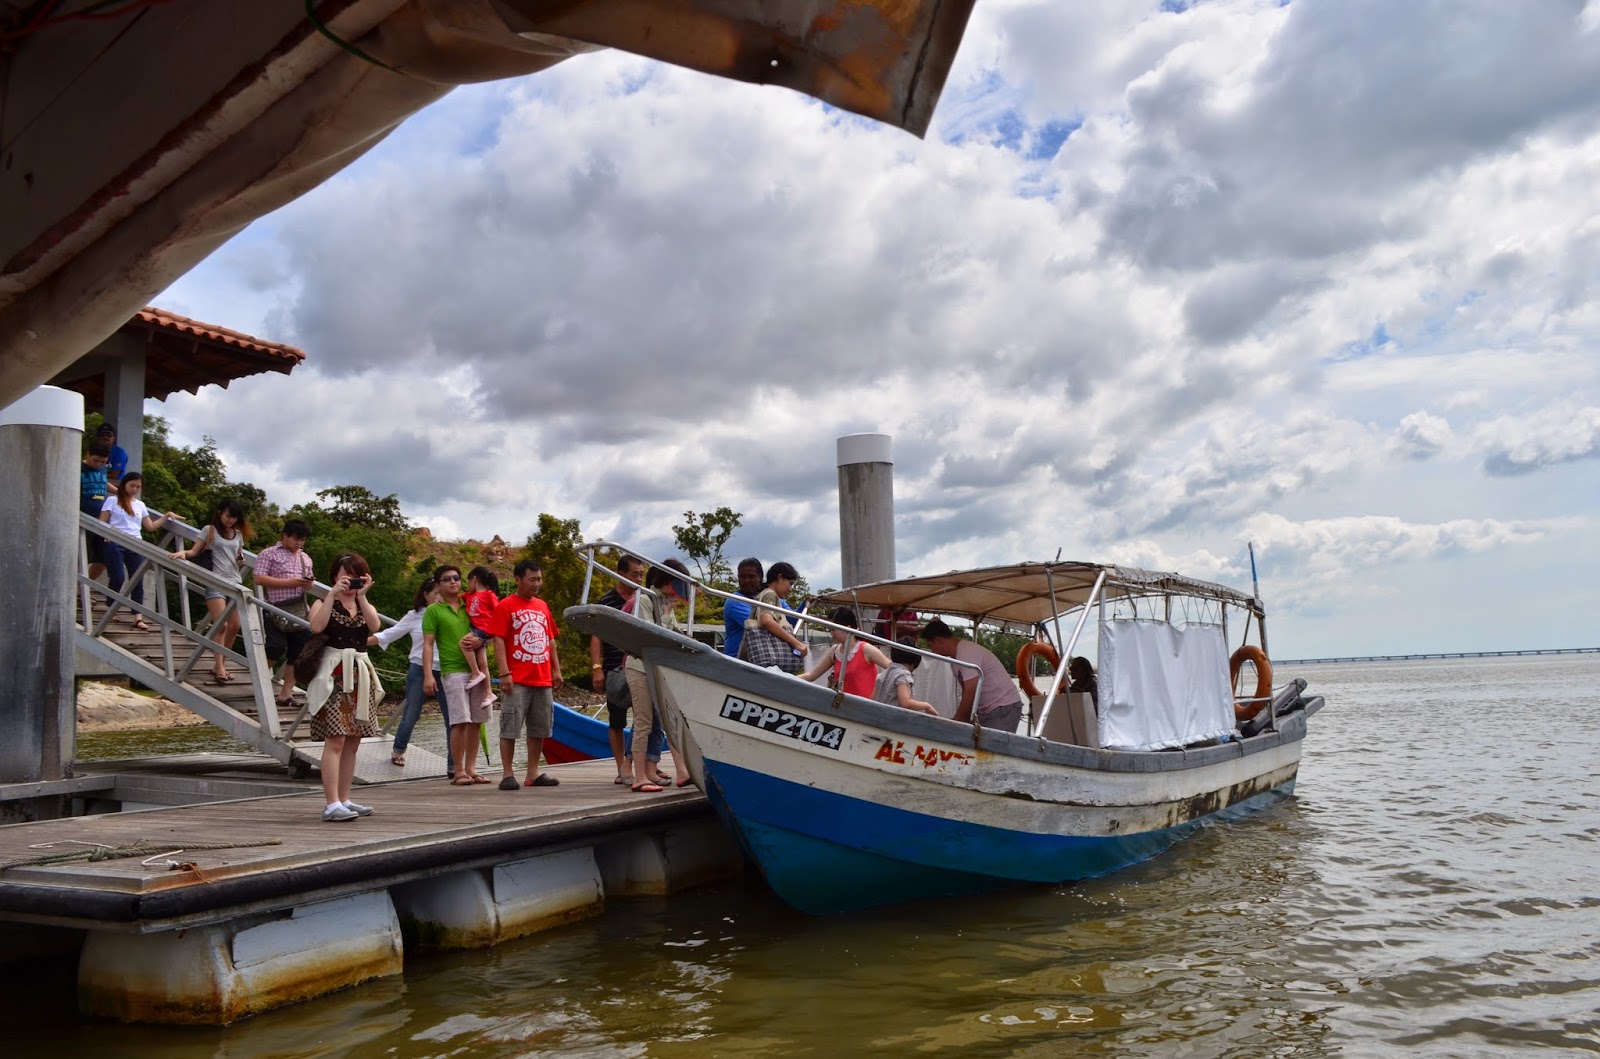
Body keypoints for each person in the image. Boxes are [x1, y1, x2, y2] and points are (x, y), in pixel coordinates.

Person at [303, 552, 383, 822]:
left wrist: (363, 596)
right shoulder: (322, 601)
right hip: (333, 675)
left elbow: (375, 626)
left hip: (359, 674)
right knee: (335, 739)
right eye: (344, 574)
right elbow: (316, 626)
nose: (349, 579)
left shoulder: (362, 603)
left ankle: (345, 798)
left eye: (355, 574)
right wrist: (331, 595)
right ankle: (331, 803)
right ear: (335, 576)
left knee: (353, 740)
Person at [589, 554, 670, 785]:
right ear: (621, 574)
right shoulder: (607, 601)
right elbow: (597, 635)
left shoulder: (646, 598)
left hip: (640, 665)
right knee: (617, 720)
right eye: (635, 574)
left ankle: (647, 765)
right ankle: (622, 767)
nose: (638, 579)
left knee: (648, 716)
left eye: (641, 575)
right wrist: (597, 668)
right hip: (615, 666)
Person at [486, 559, 564, 790]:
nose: (537, 584)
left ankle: (533, 772)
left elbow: (550, 639)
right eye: (532, 579)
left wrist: (556, 670)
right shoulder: (506, 606)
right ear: (518, 580)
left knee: (540, 727)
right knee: (510, 725)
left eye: (539, 579)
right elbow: (498, 639)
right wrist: (504, 672)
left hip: (542, 676)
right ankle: (508, 774)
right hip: (517, 677)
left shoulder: (542, 606)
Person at [624, 559, 690, 792]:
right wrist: (666, 613)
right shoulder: (644, 599)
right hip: (639, 667)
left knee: (669, 721)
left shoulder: (664, 603)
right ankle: (639, 776)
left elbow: (675, 635)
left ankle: (682, 771)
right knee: (643, 721)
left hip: (657, 669)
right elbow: (650, 634)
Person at [423, 565, 490, 785]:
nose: (453, 582)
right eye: (447, 579)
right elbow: (428, 644)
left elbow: (489, 620)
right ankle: (458, 770)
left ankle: (471, 767)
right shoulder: (434, 610)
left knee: (476, 722)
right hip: (452, 670)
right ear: (439, 584)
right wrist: (428, 675)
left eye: (456, 578)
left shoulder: (469, 604)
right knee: (459, 721)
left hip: (477, 671)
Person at [369, 576, 444, 768]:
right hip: (419, 668)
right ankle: (398, 750)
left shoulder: (452, 612)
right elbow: (389, 634)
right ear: (426, 595)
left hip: (446, 669)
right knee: (411, 713)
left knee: (452, 717)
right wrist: (359, 641)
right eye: (437, 593)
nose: (440, 597)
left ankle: (454, 764)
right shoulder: (415, 615)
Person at [172, 499, 250, 682]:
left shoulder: (237, 534)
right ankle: (220, 667)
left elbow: (239, 555)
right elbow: (194, 551)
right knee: (221, 624)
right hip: (215, 580)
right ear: (220, 513)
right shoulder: (209, 530)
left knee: (235, 626)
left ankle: (220, 663)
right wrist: (183, 554)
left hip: (234, 582)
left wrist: (241, 559)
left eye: (234, 517)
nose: (230, 520)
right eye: (228, 516)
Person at [97, 471, 180, 630]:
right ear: (124, 485)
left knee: (137, 580)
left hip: (135, 543)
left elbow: (150, 527)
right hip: (115, 542)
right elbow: (102, 521)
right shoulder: (112, 500)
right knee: (118, 577)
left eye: (138, 487)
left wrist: (166, 515)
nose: (134, 489)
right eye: (132, 485)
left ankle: (138, 616)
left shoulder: (140, 505)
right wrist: (106, 535)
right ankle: (111, 607)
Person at [253, 518, 316, 707]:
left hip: (298, 608)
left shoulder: (305, 558)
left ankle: (286, 693)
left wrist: (308, 583)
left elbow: (309, 587)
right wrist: (289, 582)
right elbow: (258, 578)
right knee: (275, 648)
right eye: (296, 538)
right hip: (275, 607)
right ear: (285, 535)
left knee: (298, 653)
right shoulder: (269, 554)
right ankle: (258, 682)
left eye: (303, 540)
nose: (299, 543)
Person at [921, 618, 1025, 733]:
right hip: (987, 711)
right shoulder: (955, 661)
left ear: (939, 640)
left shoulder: (966, 653)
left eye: (931, 646)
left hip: (1003, 707)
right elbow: (968, 694)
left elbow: (970, 692)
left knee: (992, 748)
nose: (933, 652)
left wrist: (957, 722)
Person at [800, 607, 892, 697]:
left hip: (867, 706)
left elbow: (893, 668)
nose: (831, 633)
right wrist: (789, 678)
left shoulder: (866, 649)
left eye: (833, 629)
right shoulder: (834, 651)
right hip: (843, 706)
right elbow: (812, 675)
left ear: (847, 628)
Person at [740, 560, 807, 673]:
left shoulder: (762, 594)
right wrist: (796, 643)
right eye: (790, 583)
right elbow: (766, 620)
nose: (790, 589)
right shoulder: (770, 594)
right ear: (780, 578)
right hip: (767, 663)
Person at [461, 565, 500, 704]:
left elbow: (498, 612)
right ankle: (489, 693)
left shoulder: (489, 595)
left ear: (474, 579)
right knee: (483, 662)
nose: (467, 585)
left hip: (483, 629)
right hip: (477, 629)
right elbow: (456, 598)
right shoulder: (469, 595)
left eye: (468, 581)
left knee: (463, 643)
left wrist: (493, 632)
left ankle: (475, 672)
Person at [874, 637, 940, 715]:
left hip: (879, 716)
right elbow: (905, 702)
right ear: (913, 663)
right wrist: (926, 706)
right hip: (894, 720)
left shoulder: (881, 675)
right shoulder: (903, 675)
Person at [721, 557, 763, 658]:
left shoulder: (767, 597)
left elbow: (791, 617)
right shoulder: (734, 601)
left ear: (760, 577)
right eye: (742, 577)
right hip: (737, 662)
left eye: (751, 576)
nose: (746, 581)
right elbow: (758, 625)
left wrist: (805, 604)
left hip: (760, 660)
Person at [96, 422, 129, 491]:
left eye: (109, 435)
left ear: (113, 438)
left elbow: (114, 475)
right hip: (97, 487)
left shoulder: (119, 452)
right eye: (102, 435)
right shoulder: (94, 451)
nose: (105, 437)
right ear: (98, 437)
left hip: (115, 488)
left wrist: (94, 476)